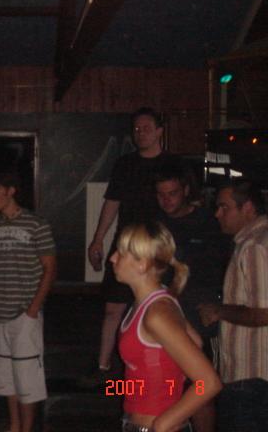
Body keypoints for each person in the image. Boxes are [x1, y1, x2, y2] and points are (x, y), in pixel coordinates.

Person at [84, 107, 178, 386]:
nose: (140, 133)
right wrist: (98, 239)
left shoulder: (173, 164)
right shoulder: (125, 164)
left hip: (159, 244)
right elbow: (112, 202)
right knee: (113, 307)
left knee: (158, 306)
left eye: (146, 128)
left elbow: (186, 203)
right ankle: (103, 366)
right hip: (127, 243)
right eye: (136, 129)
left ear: (159, 131)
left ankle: (165, 367)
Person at [113, 222, 221, 432]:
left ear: (142, 264)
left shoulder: (157, 313)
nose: (113, 258)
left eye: (121, 253)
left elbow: (208, 383)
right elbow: (196, 342)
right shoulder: (158, 300)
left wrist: (163, 424)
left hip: (152, 425)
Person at [0, 171, 56, 432]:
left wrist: (33, 308)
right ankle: (14, 426)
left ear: (10, 190)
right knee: (7, 379)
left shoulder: (36, 224)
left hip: (24, 313)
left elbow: (50, 268)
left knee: (27, 379)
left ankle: (27, 428)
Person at [154, 166, 229, 432]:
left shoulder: (207, 222)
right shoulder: (155, 223)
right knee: (164, 385)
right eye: (161, 194)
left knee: (200, 389)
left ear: (186, 191)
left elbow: (222, 265)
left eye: (172, 193)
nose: (166, 200)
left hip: (199, 315)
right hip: (165, 314)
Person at [198, 179, 268, 431]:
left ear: (248, 207)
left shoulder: (254, 246)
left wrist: (219, 311)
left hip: (251, 376)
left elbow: (263, 313)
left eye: (224, 207)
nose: (217, 214)